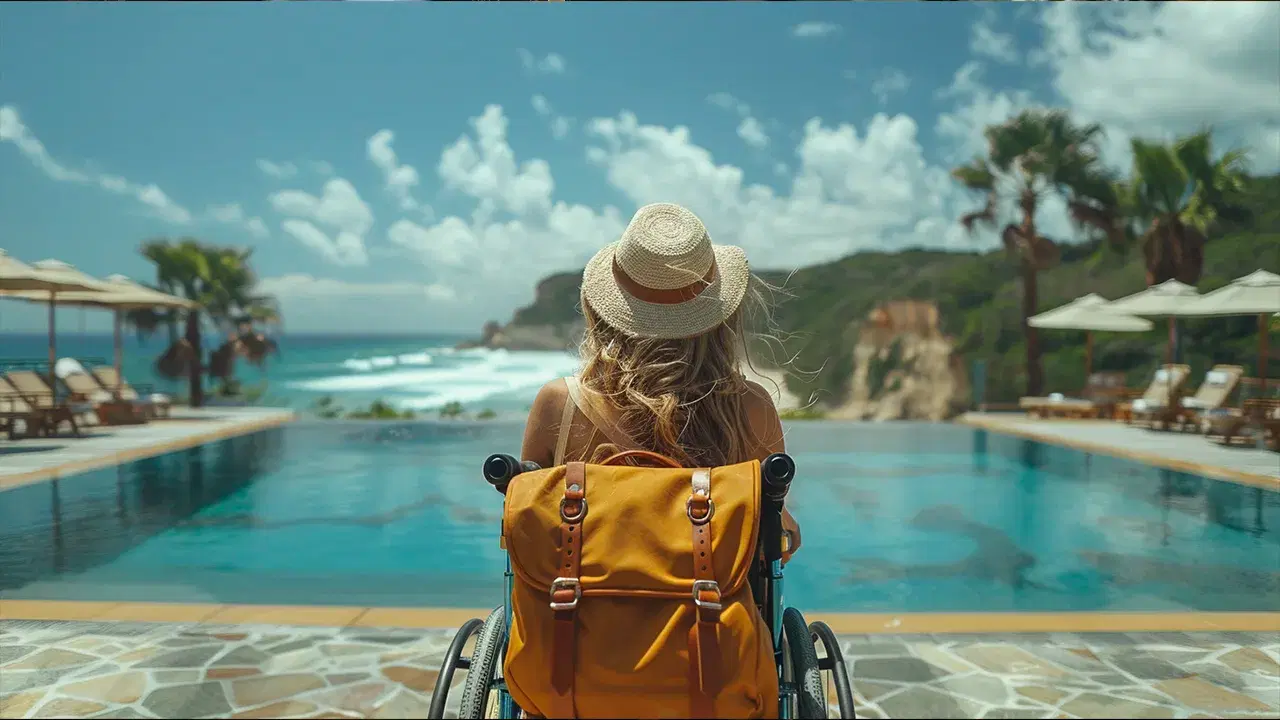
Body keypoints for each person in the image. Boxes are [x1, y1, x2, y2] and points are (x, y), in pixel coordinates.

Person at [521, 202, 802, 561]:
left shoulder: (559, 404)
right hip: (713, 614)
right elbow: (769, 545)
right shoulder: (751, 407)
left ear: (602, 308)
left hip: (573, 613)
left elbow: (526, 532)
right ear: (719, 316)